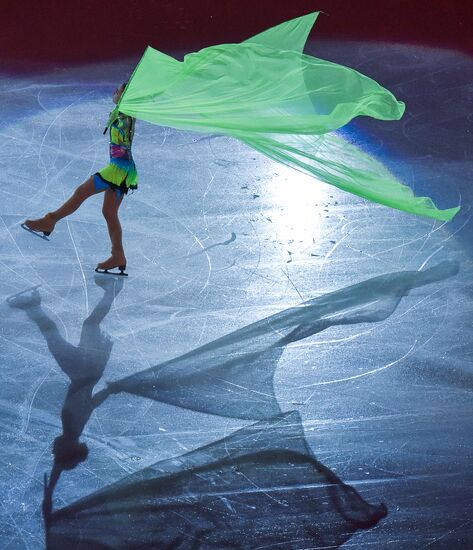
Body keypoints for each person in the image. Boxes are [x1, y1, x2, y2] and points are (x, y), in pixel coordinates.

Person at [23, 83, 137, 275]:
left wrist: (130, 93)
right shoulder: (122, 111)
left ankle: (49, 220)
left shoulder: (126, 112)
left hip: (118, 169)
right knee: (109, 213)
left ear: (125, 97)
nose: (115, 92)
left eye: (119, 91)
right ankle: (118, 255)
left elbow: (127, 107)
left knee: (81, 192)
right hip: (125, 169)